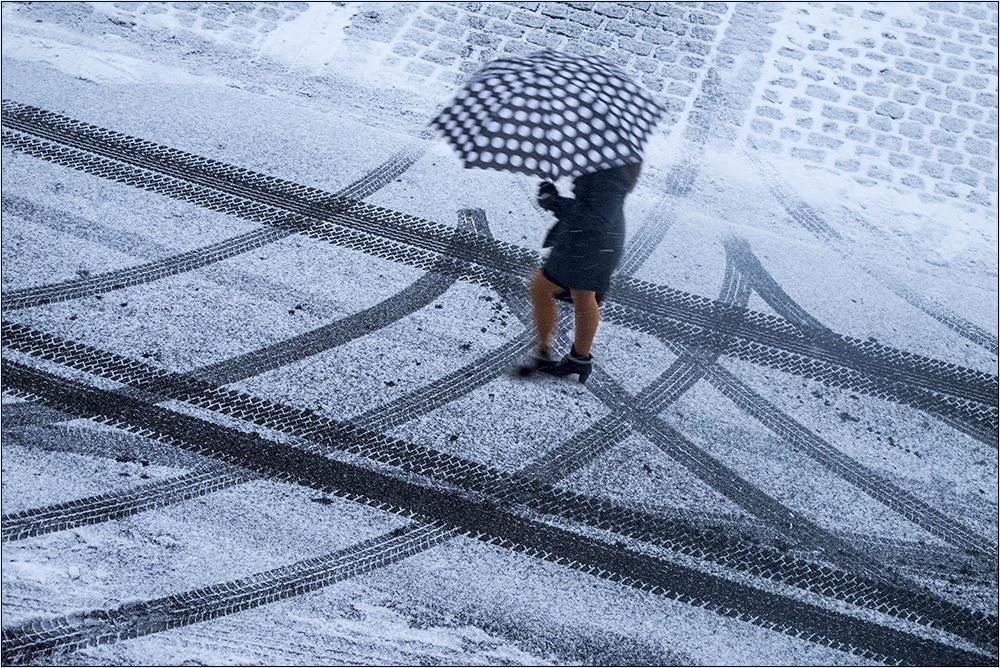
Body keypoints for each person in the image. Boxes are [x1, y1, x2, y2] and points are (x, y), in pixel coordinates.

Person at [518, 162, 641, 384]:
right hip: (597, 242)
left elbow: (597, 217)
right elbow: (593, 208)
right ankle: (578, 359)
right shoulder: (610, 162)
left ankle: (544, 353)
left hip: (589, 245)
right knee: (583, 294)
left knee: (541, 288)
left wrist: (556, 203)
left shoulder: (609, 173)